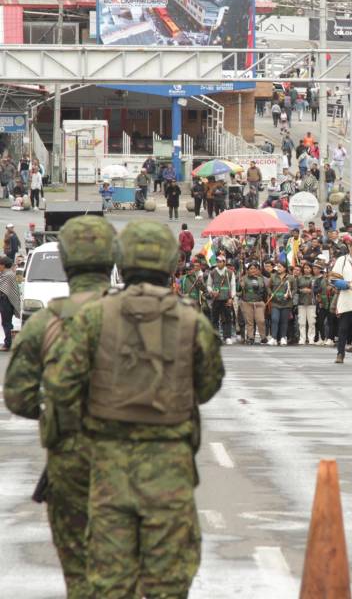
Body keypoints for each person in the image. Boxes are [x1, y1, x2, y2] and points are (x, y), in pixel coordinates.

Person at [41, 221, 224, 598]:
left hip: (109, 464)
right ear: (170, 262)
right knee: (168, 582)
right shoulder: (191, 319)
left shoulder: (94, 316)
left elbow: (60, 385)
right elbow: (208, 385)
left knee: (110, 582)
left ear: (121, 262)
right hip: (170, 465)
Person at [3, 216, 116, 598]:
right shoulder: (142, 316)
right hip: (139, 460)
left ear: (66, 261)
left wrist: (55, 406)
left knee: (81, 573)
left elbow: (18, 396)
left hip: (71, 459)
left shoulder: (47, 321)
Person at [207, 254, 236, 345]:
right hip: (216, 299)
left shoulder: (230, 273)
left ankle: (227, 337)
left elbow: (233, 286)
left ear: (224, 262)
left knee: (227, 318)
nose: (218, 263)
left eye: (220, 262)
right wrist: (212, 291)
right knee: (214, 319)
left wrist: (232, 298)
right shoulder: (212, 272)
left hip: (226, 299)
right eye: (217, 262)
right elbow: (208, 285)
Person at [239, 261, 269, 345]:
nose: (253, 270)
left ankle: (263, 337)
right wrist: (240, 285)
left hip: (259, 302)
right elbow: (238, 290)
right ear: (248, 270)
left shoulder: (261, 279)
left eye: (255, 268)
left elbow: (265, 291)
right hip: (247, 302)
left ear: (257, 270)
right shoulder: (243, 278)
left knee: (261, 320)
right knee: (250, 321)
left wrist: (264, 302)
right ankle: (250, 337)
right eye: (251, 268)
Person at [268, 261, 293, 346]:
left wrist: (289, 295)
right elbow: (268, 287)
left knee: (284, 321)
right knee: (274, 319)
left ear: (285, 268)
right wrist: (271, 293)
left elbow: (294, 289)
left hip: (286, 303)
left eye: (280, 267)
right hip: (275, 302)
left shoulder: (290, 278)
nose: (278, 268)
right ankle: (274, 338)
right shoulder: (273, 276)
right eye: (277, 267)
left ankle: (283, 337)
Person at [0, 255, 19, 350]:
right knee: (7, 322)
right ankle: (9, 342)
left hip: (6, 301)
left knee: (6, 322)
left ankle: (8, 344)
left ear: (3, 265)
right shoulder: (7, 273)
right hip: (5, 300)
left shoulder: (7, 275)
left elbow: (2, 288)